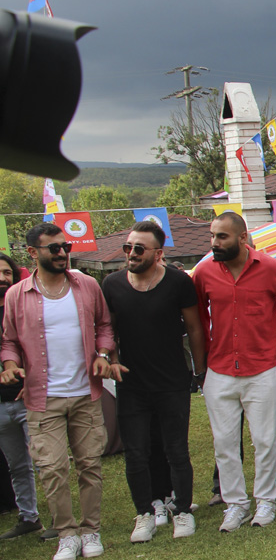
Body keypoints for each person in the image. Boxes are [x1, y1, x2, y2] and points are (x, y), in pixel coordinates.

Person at [1, 222, 115, 560]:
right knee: (51, 469)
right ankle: (66, 535)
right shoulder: (16, 295)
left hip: (85, 393)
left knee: (89, 465)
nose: (62, 253)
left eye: (65, 246)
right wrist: (9, 363)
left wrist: (103, 355)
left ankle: (90, 530)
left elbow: (105, 326)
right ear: (33, 253)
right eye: (54, 248)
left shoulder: (88, 285)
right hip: (41, 397)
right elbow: (7, 340)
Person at [193, 212, 276, 532]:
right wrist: (201, 364)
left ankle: (266, 501)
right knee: (224, 443)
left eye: (222, 237)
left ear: (242, 238)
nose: (214, 243)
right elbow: (198, 317)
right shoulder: (203, 272)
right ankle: (235, 504)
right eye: (213, 236)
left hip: (261, 368)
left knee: (265, 440)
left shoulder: (269, 267)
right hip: (220, 369)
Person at [101, 220, 205, 542]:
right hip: (132, 384)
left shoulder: (177, 283)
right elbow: (109, 330)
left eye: (139, 249)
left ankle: (183, 510)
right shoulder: (112, 284)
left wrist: (199, 372)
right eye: (128, 247)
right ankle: (145, 512)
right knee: (136, 452)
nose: (131, 253)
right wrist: (112, 359)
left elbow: (196, 328)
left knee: (176, 450)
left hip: (172, 381)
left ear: (158, 253)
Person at [0, 252, 44, 542]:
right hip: (1, 406)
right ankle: (29, 516)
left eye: (6, 272)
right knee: (16, 464)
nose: (2, 278)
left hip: (29, 397)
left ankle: (64, 520)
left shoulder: (24, 308)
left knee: (46, 461)